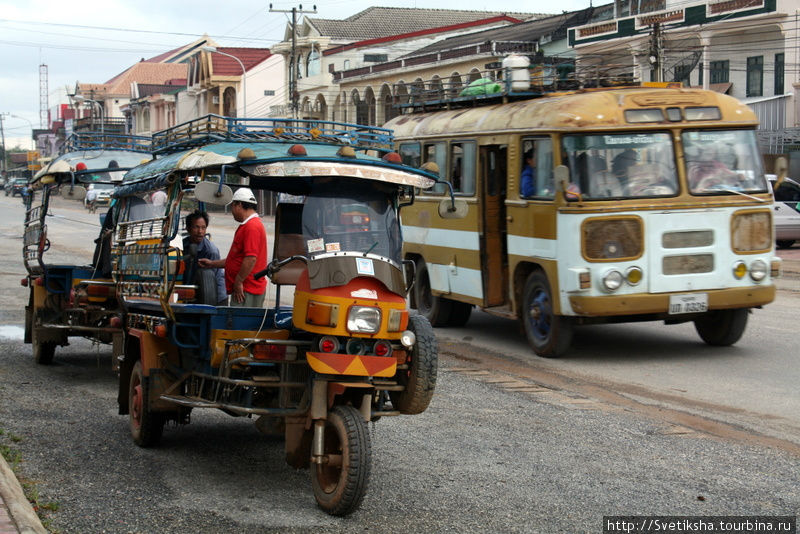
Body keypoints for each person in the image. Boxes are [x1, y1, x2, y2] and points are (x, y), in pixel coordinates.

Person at [199, 188, 267, 307]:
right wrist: (212, 264)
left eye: (232, 207)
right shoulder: (247, 225)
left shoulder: (252, 226)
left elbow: (251, 258)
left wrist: (239, 281)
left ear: (239, 205)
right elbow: (235, 260)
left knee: (240, 324)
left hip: (247, 289)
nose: (232, 211)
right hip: (244, 288)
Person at [183, 210, 226, 305]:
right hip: (194, 293)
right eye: (196, 227)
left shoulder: (211, 251)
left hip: (214, 296)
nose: (200, 232)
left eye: (203, 228)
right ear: (188, 228)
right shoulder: (182, 245)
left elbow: (209, 281)